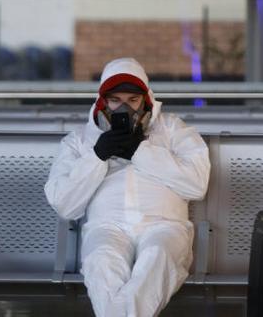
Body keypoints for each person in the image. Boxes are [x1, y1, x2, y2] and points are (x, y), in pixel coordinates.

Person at [44, 58, 210, 317]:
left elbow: (196, 185)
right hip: (106, 227)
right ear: (102, 102)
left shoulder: (174, 130)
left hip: (164, 226)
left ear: (146, 101)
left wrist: (141, 151)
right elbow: (64, 205)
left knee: (157, 257)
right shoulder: (79, 141)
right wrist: (97, 156)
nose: (124, 108)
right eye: (115, 100)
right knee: (102, 262)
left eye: (132, 100)